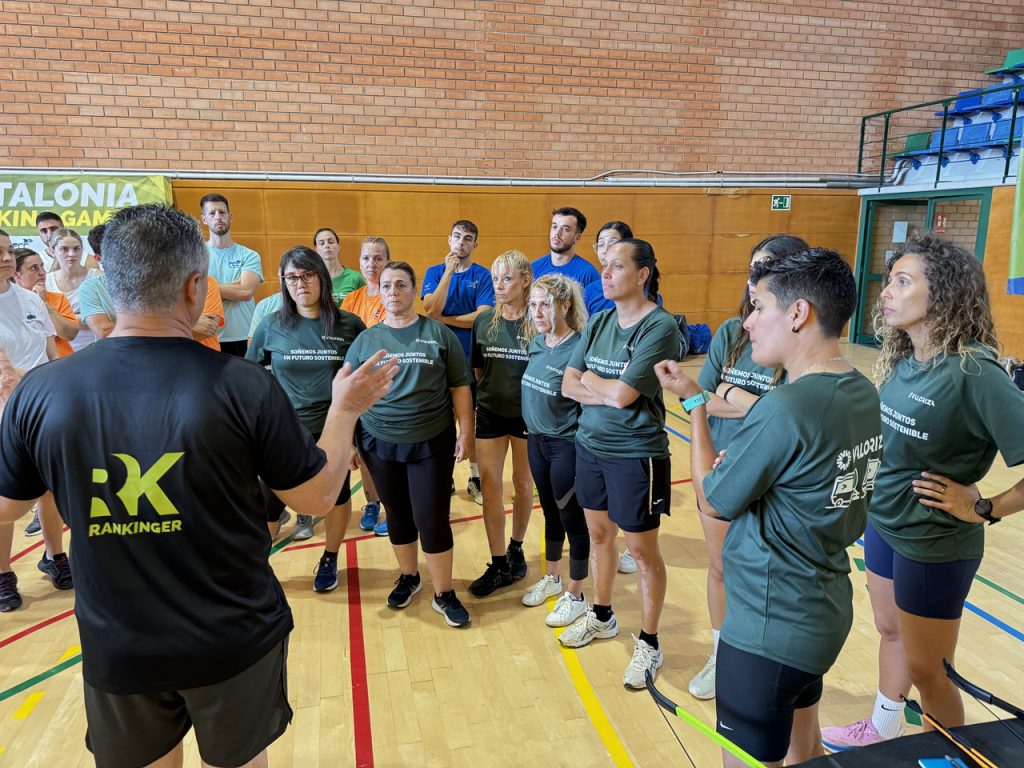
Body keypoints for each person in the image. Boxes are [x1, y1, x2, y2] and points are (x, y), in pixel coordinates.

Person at [0, 204, 397, 767]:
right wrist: (345, 410)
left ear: (110, 285)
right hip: (231, 639)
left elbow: (7, 507)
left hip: (119, 645)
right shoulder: (243, 387)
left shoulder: (40, 391)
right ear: (195, 287)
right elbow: (314, 497)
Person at [656, 247, 882, 768]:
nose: (748, 322)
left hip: (767, 625)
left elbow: (712, 498)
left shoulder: (787, 407)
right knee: (807, 750)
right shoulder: (860, 391)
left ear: (798, 313)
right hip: (819, 612)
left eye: (759, 308)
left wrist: (695, 407)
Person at [821, 234, 1024, 751]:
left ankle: (955, 756)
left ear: (944, 293)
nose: (887, 291)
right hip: (884, 527)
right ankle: (884, 725)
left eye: (903, 281)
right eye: (890, 280)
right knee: (890, 633)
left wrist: (984, 507)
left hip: (933, 543)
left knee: (930, 672)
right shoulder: (906, 358)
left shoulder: (975, 371)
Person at [686, 234, 808, 701]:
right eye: (753, 268)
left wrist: (730, 393)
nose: (756, 279)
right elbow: (698, 398)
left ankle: (761, 662)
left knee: (765, 579)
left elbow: (789, 415)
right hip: (721, 471)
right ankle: (721, 655)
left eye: (768, 268)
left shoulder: (798, 343)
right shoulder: (730, 333)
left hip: (774, 482)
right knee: (719, 569)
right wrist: (749, 402)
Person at [558, 238, 680, 691]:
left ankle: (649, 642)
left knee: (643, 552)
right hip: (589, 445)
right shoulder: (601, 320)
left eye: (616, 266)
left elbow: (626, 396)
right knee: (598, 535)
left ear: (642, 274)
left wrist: (599, 384)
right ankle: (602, 615)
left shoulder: (660, 326)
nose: (605, 273)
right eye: (604, 266)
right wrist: (603, 388)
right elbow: (569, 384)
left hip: (636, 454)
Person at [346, 261, 475, 628]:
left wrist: (466, 431)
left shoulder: (438, 334)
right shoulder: (366, 340)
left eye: (401, 285)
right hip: (378, 442)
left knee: (431, 517)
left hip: (431, 442)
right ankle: (409, 577)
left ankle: (444, 592)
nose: (393, 291)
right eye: (387, 285)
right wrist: (348, 441)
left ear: (415, 290)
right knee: (398, 514)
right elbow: (350, 394)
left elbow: (459, 386)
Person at [247, 246, 367, 588]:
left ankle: (330, 557)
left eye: (307, 275)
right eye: (291, 277)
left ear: (321, 277)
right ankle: (257, 567)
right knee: (269, 502)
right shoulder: (272, 324)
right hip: (284, 432)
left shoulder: (349, 324)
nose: (300, 283)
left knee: (337, 496)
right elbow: (250, 375)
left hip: (333, 429)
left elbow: (360, 384)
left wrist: (353, 439)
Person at [0, 229, 71, 611]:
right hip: (5, 414)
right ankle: (3, 573)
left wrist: (57, 389)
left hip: (40, 407)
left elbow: (51, 353)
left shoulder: (30, 299)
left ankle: (55, 556)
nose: (6, 258)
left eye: (9, 251)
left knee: (49, 488)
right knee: (7, 496)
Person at [519, 274, 592, 627]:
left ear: (565, 305)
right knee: (549, 512)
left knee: (571, 518)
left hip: (566, 444)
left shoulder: (579, 349)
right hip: (536, 442)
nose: (537, 312)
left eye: (545, 304)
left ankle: (576, 595)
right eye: (533, 305)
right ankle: (552, 577)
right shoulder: (536, 344)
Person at [467, 251, 534, 597]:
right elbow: (478, 371)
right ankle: (497, 564)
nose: (499, 285)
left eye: (507, 278)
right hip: (490, 412)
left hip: (527, 416)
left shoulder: (538, 321)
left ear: (525, 281)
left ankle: (516, 546)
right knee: (490, 486)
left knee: (522, 484)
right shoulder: (484, 321)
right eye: (495, 278)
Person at [421, 220, 494, 504]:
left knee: (469, 422)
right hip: (438, 359)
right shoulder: (435, 272)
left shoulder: (482, 275)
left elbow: (482, 316)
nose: (461, 242)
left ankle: (475, 478)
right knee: (442, 423)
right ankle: (445, 477)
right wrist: (449, 272)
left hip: (471, 360)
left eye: (467, 238)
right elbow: (430, 308)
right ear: (449, 239)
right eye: (457, 237)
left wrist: (446, 319)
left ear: (475, 243)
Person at [342, 236, 389, 535]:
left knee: (388, 452)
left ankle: (396, 506)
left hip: (385, 385)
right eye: (366, 258)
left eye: (378, 258)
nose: (371, 264)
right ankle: (372, 502)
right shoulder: (351, 299)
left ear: (387, 262)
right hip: (358, 386)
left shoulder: (392, 294)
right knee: (365, 450)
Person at [201, 193, 263, 356]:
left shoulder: (249, 255)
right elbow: (193, 294)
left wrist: (208, 289)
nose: (218, 217)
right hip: (208, 336)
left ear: (230, 216)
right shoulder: (195, 255)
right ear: (204, 219)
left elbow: (245, 292)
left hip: (244, 335)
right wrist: (236, 285)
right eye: (212, 213)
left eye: (222, 212)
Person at [13, 247, 79, 358]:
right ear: (16, 274)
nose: (42, 273)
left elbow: (69, 334)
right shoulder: (7, 303)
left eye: (42, 266)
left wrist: (43, 302)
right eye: (34, 268)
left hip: (62, 362)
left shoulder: (57, 298)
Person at [44, 228, 101, 350]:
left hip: (94, 347)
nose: (71, 254)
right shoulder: (46, 281)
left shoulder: (98, 277)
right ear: (53, 252)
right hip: (60, 350)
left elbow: (106, 318)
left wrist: (61, 318)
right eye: (64, 249)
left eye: (76, 249)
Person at [532, 207, 600, 289]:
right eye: (554, 227)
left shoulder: (588, 274)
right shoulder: (533, 268)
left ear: (577, 238)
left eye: (566, 229)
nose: (557, 233)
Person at [314, 227, 366, 303]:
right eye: (322, 243)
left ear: (338, 247)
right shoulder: (312, 278)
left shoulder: (355, 277)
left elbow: (366, 305)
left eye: (331, 242)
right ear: (317, 250)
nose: (327, 246)